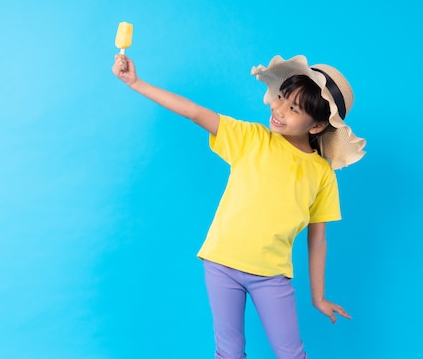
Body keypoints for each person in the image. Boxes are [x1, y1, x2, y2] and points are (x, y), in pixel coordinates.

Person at [112, 53, 366, 359]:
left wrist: (318, 297)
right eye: (282, 98)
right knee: (229, 353)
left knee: (291, 354)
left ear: (316, 126)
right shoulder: (251, 138)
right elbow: (194, 112)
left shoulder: (322, 174)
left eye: (293, 108)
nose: (279, 109)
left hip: (271, 275)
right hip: (221, 264)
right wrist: (136, 82)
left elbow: (318, 239)